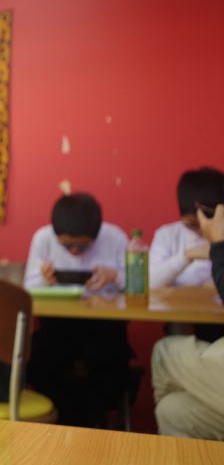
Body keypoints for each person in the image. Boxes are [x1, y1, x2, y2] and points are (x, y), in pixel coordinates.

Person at [24, 192, 133, 427]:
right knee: (40, 359)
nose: (74, 251)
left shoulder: (114, 237)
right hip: (57, 326)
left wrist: (116, 276)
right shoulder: (43, 238)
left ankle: (96, 423)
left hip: (106, 326)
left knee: (111, 362)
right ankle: (64, 420)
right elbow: (28, 289)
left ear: (97, 234)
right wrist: (44, 279)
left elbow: (140, 286)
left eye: (83, 246)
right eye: (66, 246)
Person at [152, 202, 224, 440]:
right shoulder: (168, 234)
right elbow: (152, 281)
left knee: (164, 351)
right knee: (172, 412)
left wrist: (219, 246)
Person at [150, 167, 224, 290]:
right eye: (192, 225)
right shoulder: (167, 235)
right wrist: (187, 255)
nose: (202, 229)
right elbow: (150, 283)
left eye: (210, 222)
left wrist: (219, 250)